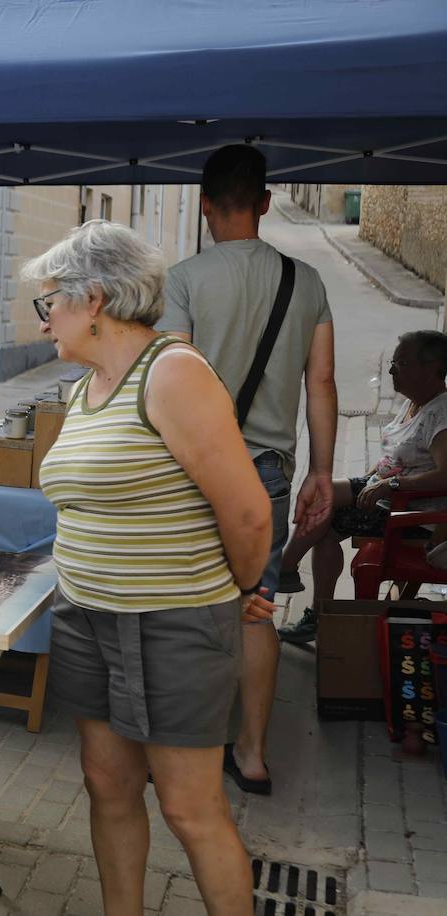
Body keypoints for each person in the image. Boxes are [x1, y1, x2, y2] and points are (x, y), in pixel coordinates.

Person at [31, 220, 272, 916]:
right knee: (107, 786)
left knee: (189, 808)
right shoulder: (87, 388)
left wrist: (244, 590)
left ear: (95, 299)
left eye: (51, 304)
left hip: (170, 623)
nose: (44, 321)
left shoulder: (171, 372)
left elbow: (250, 514)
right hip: (85, 616)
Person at [158, 143, 337, 795]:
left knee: (182, 607)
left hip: (191, 473)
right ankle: (253, 755)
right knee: (256, 608)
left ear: (206, 207)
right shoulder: (307, 282)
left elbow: (170, 382)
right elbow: (320, 382)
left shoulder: (183, 280)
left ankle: (179, 748)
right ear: (264, 203)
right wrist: (321, 468)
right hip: (265, 474)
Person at [278, 330, 447, 628]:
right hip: (387, 498)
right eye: (393, 363)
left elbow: (445, 475)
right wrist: (375, 478)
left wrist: (390, 484)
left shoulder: (441, 414)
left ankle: (289, 574)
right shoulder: (415, 404)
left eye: (402, 364)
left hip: (411, 516)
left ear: (433, 370)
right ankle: (311, 602)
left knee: (324, 505)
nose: (392, 370)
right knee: (324, 507)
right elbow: (395, 458)